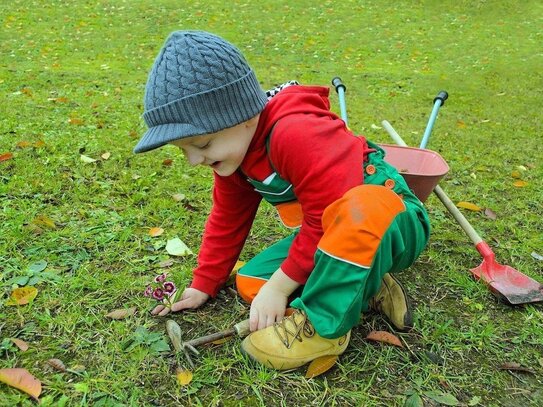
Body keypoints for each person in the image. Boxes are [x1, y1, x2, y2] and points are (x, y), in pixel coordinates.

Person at [134, 30, 430, 370]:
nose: (193, 160)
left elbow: (324, 216)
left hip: (393, 220)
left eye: (201, 145)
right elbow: (227, 220)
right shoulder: (235, 158)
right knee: (253, 283)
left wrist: (280, 287)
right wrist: (204, 283)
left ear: (243, 116)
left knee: (359, 208)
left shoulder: (294, 132)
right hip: (335, 236)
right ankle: (366, 281)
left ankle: (324, 329)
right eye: (184, 150)